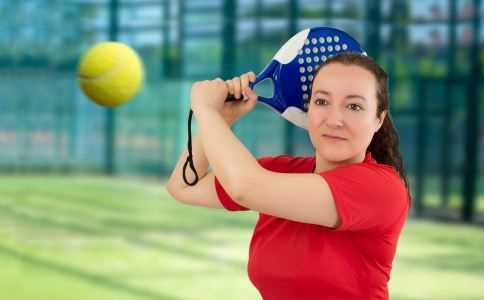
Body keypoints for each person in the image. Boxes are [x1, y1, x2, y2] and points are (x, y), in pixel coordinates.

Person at [166, 52, 411, 300]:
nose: (335, 119)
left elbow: (245, 187)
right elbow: (184, 186)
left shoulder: (381, 188)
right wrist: (223, 118)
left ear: (378, 120)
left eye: (354, 106)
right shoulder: (279, 173)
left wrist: (206, 111)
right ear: (309, 110)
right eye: (322, 102)